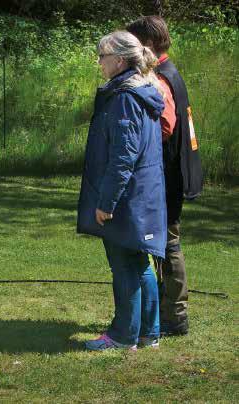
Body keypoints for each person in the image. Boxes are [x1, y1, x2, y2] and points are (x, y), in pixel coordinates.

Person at [77, 31, 166, 350]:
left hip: (128, 197)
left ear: (119, 59)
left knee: (124, 265)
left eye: (102, 57)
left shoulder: (126, 97)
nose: (99, 63)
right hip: (143, 194)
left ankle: (123, 335)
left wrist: (107, 202)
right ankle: (147, 334)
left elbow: (123, 157)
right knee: (139, 263)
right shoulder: (143, 89)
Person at [126, 15, 203, 336]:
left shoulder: (161, 77)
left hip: (168, 176)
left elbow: (165, 128)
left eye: (133, 44)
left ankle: (175, 317)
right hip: (173, 173)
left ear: (148, 44)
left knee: (168, 245)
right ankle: (164, 314)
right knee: (166, 244)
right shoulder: (169, 72)